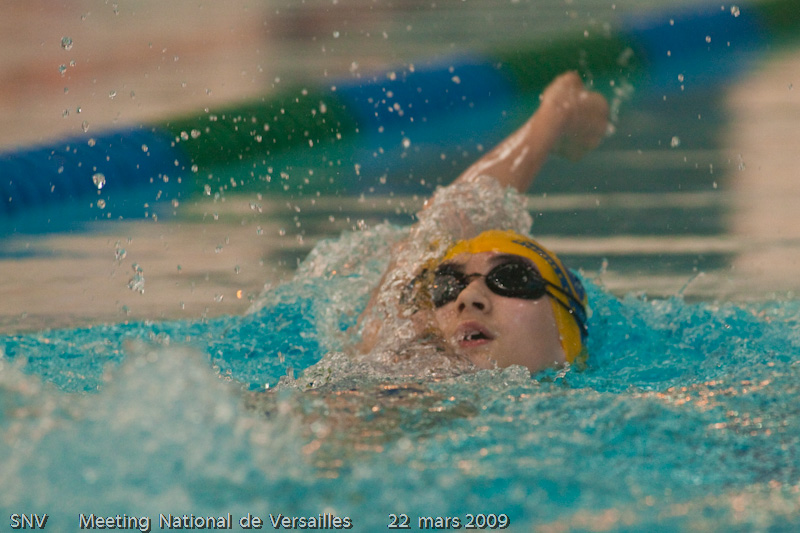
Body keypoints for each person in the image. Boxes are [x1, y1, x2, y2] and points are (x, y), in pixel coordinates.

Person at [353, 71, 610, 375]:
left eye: (510, 278)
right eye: (447, 285)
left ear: (566, 335)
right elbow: (434, 230)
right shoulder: (386, 374)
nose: (467, 298)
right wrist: (553, 118)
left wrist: (553, 118)